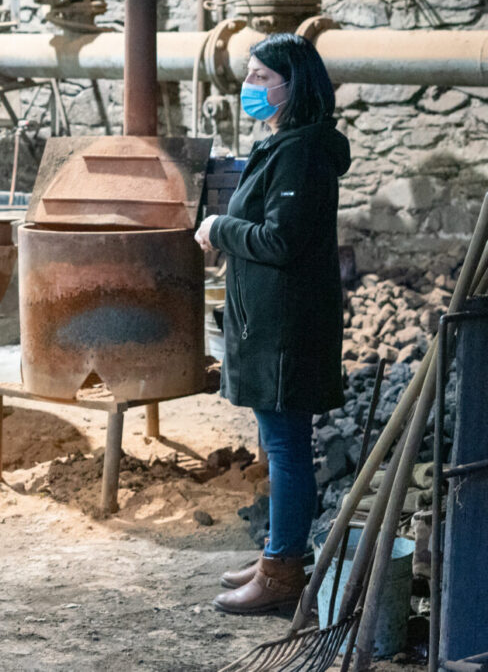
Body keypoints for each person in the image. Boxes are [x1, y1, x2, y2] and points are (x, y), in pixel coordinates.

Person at [194, 33, 350, 614]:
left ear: (294, 84)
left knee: (286, 446)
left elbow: (280, 239)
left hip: (288, 328)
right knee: (278, 441)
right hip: (273, 322)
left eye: (262, 78)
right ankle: (278, 553)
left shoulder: (302, 152)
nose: (250, 88)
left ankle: (283, 574)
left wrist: (219, 228)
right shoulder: (283, 143)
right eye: (250, 76)